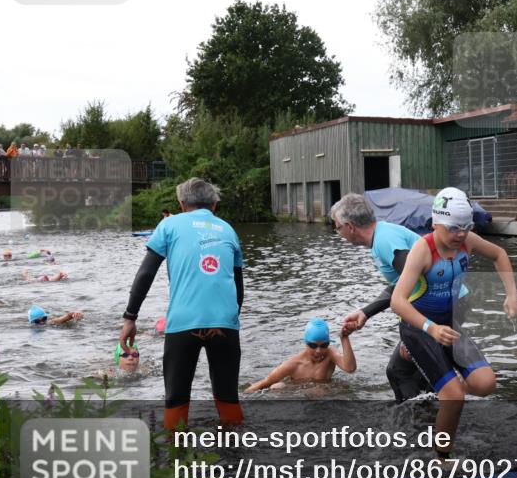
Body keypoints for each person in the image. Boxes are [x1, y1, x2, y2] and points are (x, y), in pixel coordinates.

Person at [390, 187, 517, 459]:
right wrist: (431, 328)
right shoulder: (422, 250)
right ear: (436, 222)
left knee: (486, 384)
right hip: (418, 329)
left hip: (448, 325)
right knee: (454, 395)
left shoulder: (467, 241)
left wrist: (512, 295)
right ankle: (441, 459)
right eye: (452, 228)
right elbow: (397, 302)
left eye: (466, 226)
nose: (460, 234)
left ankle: (444, 392)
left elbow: (499, 255)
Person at [118, 177, 245, 430]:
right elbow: (238, 289)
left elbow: (146, 273)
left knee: (176, 397)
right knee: (228, 396)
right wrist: (229, 322)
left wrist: (130, 316)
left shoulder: (169, 225)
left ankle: (175, 460)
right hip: (225, 325)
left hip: (183, 324)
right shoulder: (228, 229)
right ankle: (235, 460)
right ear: (214, 205)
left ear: (182, 203)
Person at [331, 193, 431, 402]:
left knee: (398, 371)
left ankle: (416, 427)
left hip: (437, 307)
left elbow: (420, 281)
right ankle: (428, 420)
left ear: (349, 226)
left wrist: (414, 333)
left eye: (337, 226)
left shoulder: (384, 241)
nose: (337, 232)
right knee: (420, 374)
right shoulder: (382, 236)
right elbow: (401, 284)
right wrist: (366, 313)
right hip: (441, 306)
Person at [245, 318, 356, 392]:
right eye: (313, 345)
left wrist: (344, 338)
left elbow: (350, 368)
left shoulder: (330, 354)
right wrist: (242, 398)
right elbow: (264, 383)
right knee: (276, 387)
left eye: (324, 345)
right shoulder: (292, 365)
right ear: (305, 343)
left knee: (326, 390)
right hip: (299, 394)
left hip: (323, 393)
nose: (318, 351)